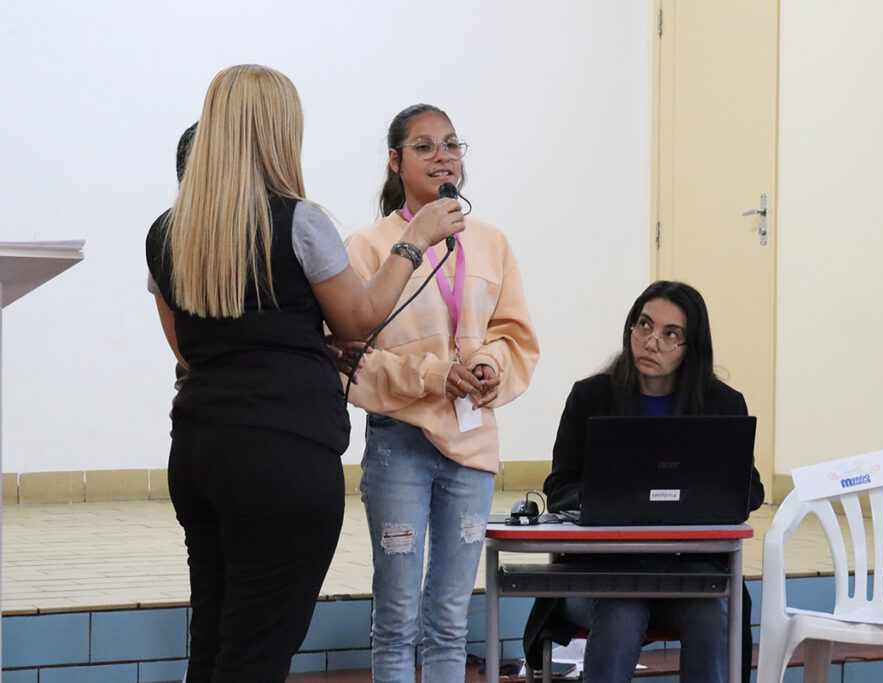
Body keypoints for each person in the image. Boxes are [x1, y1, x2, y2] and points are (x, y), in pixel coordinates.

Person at [146, 66, 464, 682]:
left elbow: (191, 350)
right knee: (258, 652)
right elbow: (359, 319)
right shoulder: (298, 220)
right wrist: (414, 240)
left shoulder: (168, 230)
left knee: (212, 639)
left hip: (199, 450)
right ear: (278, 131)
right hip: (282, 457)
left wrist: (304, 344)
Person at [344, 103, 540, 682]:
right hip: (399, 443)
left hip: (471, 444)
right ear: (395, 160)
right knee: (397, 619)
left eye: (452, 144)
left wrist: (489, 366)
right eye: (425, 146)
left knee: (451, 622)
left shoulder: (492, 242)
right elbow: (353, 358)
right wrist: (433, 376)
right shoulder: (368, 247)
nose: (442, 157)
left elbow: (514, 336)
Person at [523, 280, 764, 683]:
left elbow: (748, 490)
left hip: (687, 573)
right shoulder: (591, 397)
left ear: (691, 347)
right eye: (645, 325)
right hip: (601, 574)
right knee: (622, 607)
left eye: (671, 334)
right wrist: (604, 499)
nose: (652, 342)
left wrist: (701, 495)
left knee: (711, 608)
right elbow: (560, 486)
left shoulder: (722, 404)